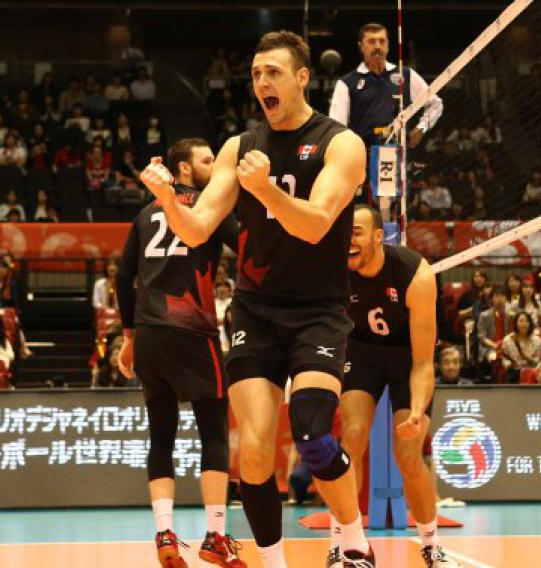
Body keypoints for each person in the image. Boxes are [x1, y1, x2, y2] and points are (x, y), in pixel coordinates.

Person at [138, 31, 374, 568]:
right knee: (255, 455)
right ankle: (272, 561)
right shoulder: (240, 147)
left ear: (301, 78)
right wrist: (168, 199)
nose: (262, 82)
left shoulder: (341, 144)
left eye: (272, 72)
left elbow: (315, 226)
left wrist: (266, 191)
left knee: (314, 432)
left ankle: (355, 542)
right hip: (255, 311)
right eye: (255, 74)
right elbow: (197, 229)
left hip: (318, 311)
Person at [118, 137, 244, 567]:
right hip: (193, 332)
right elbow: (245, 247)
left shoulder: (144, 213)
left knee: (161, 437)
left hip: (150, 336)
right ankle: (215, 537)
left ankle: (164, 535)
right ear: (185, 170)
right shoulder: (210, 206)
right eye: (208, 160)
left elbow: (122, 278)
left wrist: (130, 336)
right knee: (213, 433)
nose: (217, 165)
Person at [335, 206, 460, 567]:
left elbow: (423, 362)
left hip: (406, 357)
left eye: (357, 232)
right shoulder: (334, 268)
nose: (348, 240)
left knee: (409, 455)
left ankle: (432, 546)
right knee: (352, 437)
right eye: (345, 232)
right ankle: (345, 544)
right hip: (360, 351)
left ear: (378, 236)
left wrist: (418, 412)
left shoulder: (413, 274)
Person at [329, 22, 443, 211]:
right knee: (364, 219)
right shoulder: (347, 83)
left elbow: (436, 104)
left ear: (389, 45)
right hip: (361, 163)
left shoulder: (405, 75)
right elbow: (336, 128)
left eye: (382, 41)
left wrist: (422, 127)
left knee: (394, 220)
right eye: (371, 41)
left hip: (395, 156)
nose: (377, 46)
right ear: (361, 46)